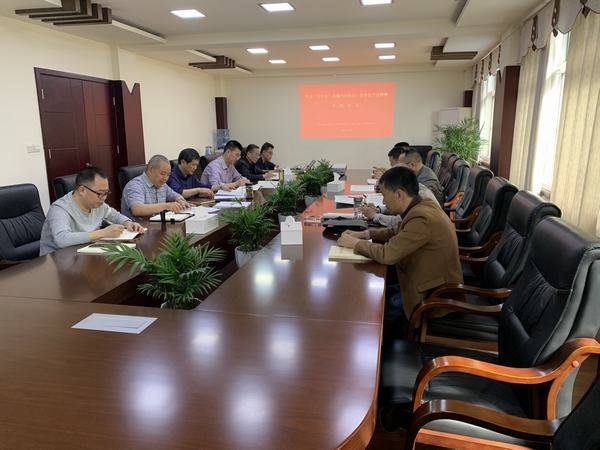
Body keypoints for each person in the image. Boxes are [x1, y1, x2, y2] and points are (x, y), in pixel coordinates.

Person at [337, 166, 462, 334]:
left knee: (370, 316)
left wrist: (355, 244)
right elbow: (396, 230)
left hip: (431, 296)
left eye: (384, 196)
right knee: (371, 296)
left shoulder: (422, 218)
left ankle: (382, 348)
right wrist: (366, 234)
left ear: (399, 195)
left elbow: (387, 255)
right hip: (420, 280)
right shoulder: (421, 205)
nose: (383, 202)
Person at [39, 166, 145, 255]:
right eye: (100, 193)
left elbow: (115, 216)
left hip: (85, 254)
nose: (104, 198)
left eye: (106, 193)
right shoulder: (59, 209)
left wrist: (128, 222)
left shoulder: (98, 204)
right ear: (82, 190)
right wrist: (103, 233)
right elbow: (62, 239)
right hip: (57, 260)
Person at [121, 154, 194, 220]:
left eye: (168, 175)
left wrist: (180, 201)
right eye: (163, 173)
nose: (165, 178)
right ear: (151, 169)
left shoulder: (162, 185)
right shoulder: (135, 185)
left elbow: (175, 195)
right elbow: (137, 209)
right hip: (139, 228)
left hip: (157, 226)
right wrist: (166, 206)